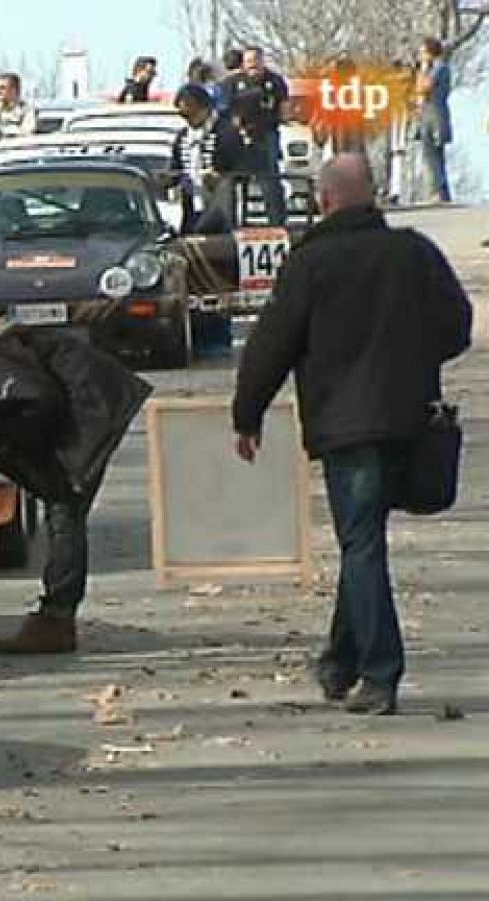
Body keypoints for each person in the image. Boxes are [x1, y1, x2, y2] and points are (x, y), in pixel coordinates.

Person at [232, 155, 471, 715]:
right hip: (413, 418)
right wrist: (413, 361)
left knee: (361, 544)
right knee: (363, 542)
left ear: (326, 200)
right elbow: (456, 326)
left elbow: (272, 344)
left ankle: (379, 672)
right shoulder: (413, 252)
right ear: (371, 197)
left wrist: (248, 415)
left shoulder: (311, 263)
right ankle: (339, 663)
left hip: (347, 427)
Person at [0, 322, 152, 654]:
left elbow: (40, 402)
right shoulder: (7, 354)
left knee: (65, 513)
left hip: (88, 416)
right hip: (96, 405)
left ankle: (56, 618)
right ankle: (56, 615)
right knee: (64, 511)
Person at [169, 83, 253, 233]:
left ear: (205, 109)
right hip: (190, 206)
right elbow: (175, 168)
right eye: (184, 115)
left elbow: (243, 168)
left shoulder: (227, 133)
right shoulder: (183, 137)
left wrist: (220, 178)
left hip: (221, 206)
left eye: (191, 113)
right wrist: (169, 178)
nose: (188, 119)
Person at [219, 46, 289, 225]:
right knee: (231, 181)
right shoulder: (231, 83)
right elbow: (224, 112)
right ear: (243, 64)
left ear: (262, 61)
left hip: (266, 135)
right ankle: (230, 223)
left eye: (256, 61)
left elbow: (284, 110)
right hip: (237, 138)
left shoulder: (276, 81)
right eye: (248, 62)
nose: (252, 66)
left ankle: (277, 223)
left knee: (270, 180)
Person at [414, 37, 453, 204]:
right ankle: (440, 190)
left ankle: (438, 190)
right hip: (427, 113)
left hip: (435, 115)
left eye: (423, 52)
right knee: (431, 155)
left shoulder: (439, 68)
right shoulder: (432, 69)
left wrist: (422, 70)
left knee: (433, 155)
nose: (421, 56)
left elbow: (424, 87)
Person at [0, 72, 39, 151]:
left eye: (2, 88)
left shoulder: (26, 109)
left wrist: (5, 132)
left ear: (14, 90)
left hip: (16, 151)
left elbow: (27, 132)